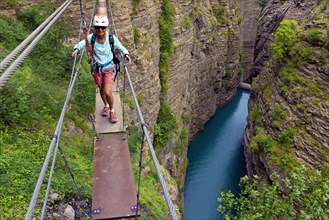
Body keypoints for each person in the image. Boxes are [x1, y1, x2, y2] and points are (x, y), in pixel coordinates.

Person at [72, 13, 131, 123]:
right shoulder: (92, 38)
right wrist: (76, 49)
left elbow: (121, 47)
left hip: (109, 68)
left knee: (108, 92)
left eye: (102, 27)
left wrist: (126, 54)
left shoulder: (111, 38)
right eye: (97, 27)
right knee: (101, 90)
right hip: (96, 69)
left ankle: (112, 111)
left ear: (106, 27)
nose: (100, 30)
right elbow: (81, 43)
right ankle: (106, 105)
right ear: (94, 28)